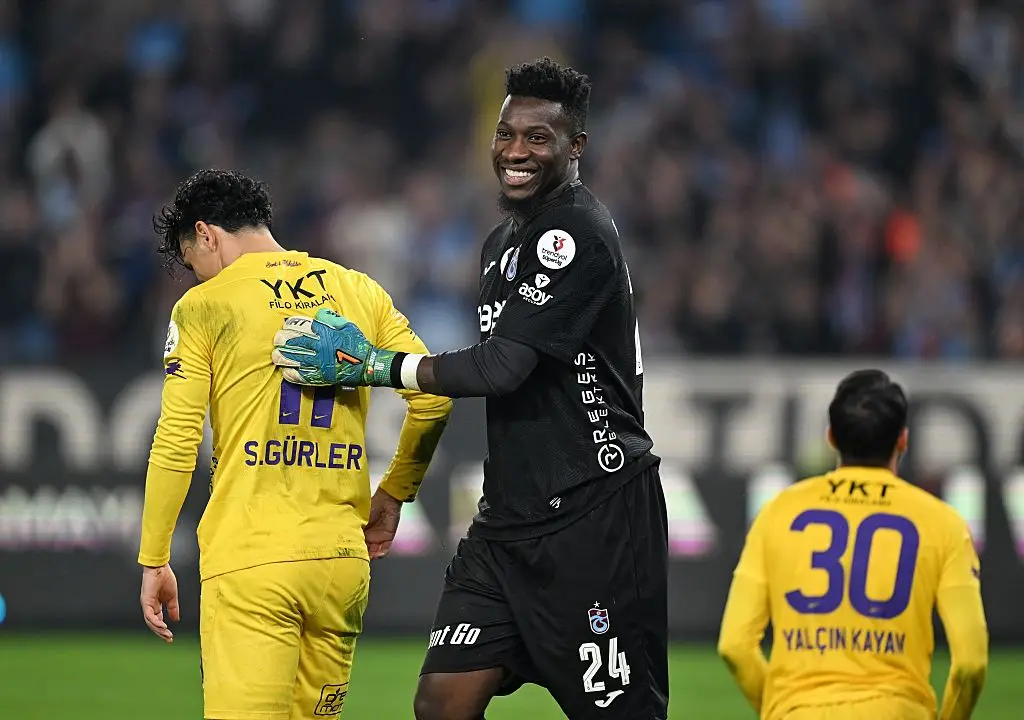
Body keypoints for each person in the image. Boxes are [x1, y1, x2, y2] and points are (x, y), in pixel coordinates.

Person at [271, 58, 669, 719]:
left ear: (576, 147)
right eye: (506, 133)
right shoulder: (500, 244)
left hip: (594, 519)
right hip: (507, 526)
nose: (516, 151)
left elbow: (502, 367)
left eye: (538, 138)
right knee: (442, 703)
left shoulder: (575, 233)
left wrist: (375, 365)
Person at [137, 169, 452, 720]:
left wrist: (154, 558)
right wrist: (395, 493)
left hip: (251, 558)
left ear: (206, 235)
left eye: (194, 263)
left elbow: (178, 439)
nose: (197, 278)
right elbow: (434, 397)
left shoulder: (205, 307)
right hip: (340, 562)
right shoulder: (360, 291)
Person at [717, 369, 988, 720]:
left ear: (831, 437)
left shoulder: (778, 513)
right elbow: (971, 664)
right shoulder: (943, 524)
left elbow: (734, 646)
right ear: (902, 440)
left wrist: (784, 707)